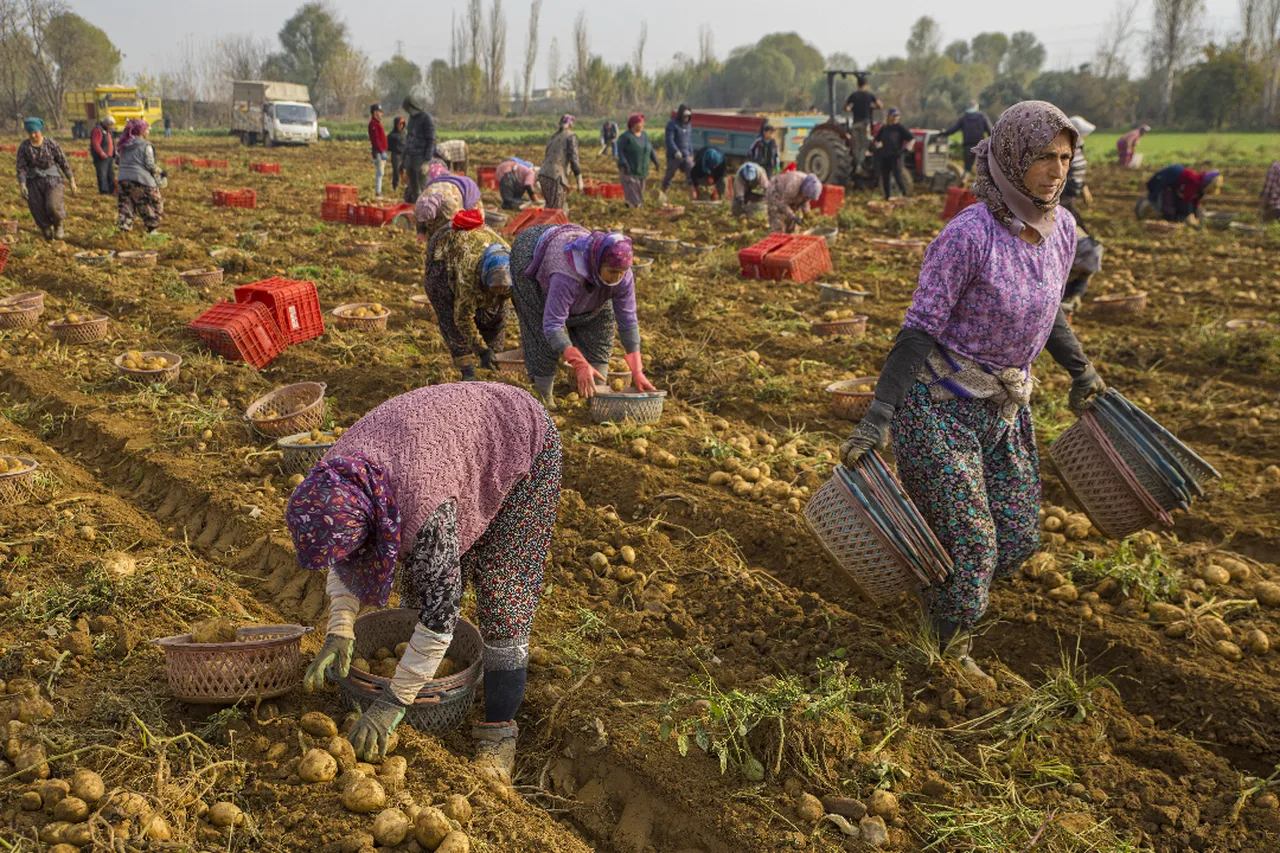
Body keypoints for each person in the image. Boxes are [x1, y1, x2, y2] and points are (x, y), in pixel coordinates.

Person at [839, 101, 1105, 678]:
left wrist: (1081, 371)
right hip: (940, 408)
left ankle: (937, 586)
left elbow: (1048, 310)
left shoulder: (1061, 231)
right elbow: (918, 332)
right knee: (975, 543)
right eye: (1041, 157)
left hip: (1004, 410)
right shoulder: (968, 236)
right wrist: (879, 414)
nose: (1055, 169)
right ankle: (941, 656)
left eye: (1064, 157)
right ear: (1011, 158)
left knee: (1015, 536)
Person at [290, 381, 562, 782]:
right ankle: (425, 687)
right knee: (421, 585)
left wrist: (390, 704)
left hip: (518, 438)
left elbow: (441, 616)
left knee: (504, 595)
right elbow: (345, 552)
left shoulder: (422, 506)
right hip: (449, 446)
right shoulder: (332, 480)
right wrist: (341, 627)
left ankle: (499, 732)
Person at [509, 225, 657, 409]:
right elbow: (552, 325)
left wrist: (637, 370)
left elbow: (628, 320)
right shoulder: (567, 275)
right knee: (541, 325)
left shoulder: (622, 275)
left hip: (578, 270)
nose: (617, 277)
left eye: (622, 272)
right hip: (531, 257)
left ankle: (597, 395)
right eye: (612, 272)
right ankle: (543, 394)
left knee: (602, 317)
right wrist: (578, 363)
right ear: (598, 262)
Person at [423, 210, 512, 381]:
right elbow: (462, 318)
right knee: (451, 316)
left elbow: (522, 306)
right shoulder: (468, 275)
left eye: (505, 290)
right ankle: (467, 372)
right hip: (444, 257)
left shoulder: (514, 268)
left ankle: (492, 364)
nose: (500, 293)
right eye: (495, 289)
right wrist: (482, 350)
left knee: (497, 314)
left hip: (478, 251)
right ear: (484, 278)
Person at [15, 117, 75, 241]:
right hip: (33, 181)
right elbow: (21, 166)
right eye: (30, 132)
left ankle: (58, 224)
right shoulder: (24, 146)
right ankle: (45, 228)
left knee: (53, 205)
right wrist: (22, 184)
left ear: (40, 131)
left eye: (35, 132)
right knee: (37, 208)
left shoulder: (50, 143)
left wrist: (71, 179)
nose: (33, 135)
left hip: (53, 179)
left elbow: (62, 161)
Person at [116, 119, 165, 234]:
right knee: (153, 203)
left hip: (123, 180)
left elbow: (118, 161)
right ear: (142, 131)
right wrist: (161, 171)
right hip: (141, 180)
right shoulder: (145, 145)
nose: (148, 132)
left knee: (126, 205)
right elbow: (149, 165)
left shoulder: (124, 144)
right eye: (147, 129)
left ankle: (123, 232)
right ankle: (152, 229)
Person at [1136, 165, 1221, 226]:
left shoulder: (1199, 189)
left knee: (1175, 208)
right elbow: (1187, 201)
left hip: (1175, 183)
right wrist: (1190, 218)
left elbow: (1194, 203)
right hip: (1166, 178)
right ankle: (1147, 211)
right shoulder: (1193, 182)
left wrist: (1195, 216)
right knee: (1160, 203)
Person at [414, 174, 483, 242]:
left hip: (467, 190)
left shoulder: (450, 205)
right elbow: (419, 219)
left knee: (474, 229)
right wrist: (421, 232)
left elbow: (460, 221)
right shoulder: (420, 202)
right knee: (433, 232)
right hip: (441, 186)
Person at [538, 114, 582, 212]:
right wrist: (579, 178)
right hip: (556, 176)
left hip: (543, 174)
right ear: (571, 125)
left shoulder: (553, 136)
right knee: (558, 209)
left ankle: (548, 226)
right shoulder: (570, 136)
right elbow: (574, 158)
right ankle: (557, 227)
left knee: (550, 207)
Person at [1061, 218, 1103, 315]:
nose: (1082, 271)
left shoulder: (1092, 251)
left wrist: (1077, 295)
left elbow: (1083, 278)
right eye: (1081, 268)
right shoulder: (1064, 246)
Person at [616, 114, 658, 208]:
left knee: (639, 192)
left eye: (642, 123)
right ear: (633, 124)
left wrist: (655, 161)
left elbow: (650, 149)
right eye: (639, 123)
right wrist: (624, 163)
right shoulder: (626, 137)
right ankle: (637, 210)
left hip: (642, 169)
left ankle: (630, 207)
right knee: (633, 192)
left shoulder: (645, 136)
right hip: (629, 170)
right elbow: (620, 151)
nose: (641, 125)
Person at [941, 102, 993, 179]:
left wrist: (943, 133)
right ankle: (982, 186)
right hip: (980, 146)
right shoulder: (982, 117)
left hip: (967, 147)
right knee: (982, 169)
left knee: (967, 169)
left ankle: (964, 183)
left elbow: (953, 129)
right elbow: (990, 131)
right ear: (976, 107)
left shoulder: (963, 118)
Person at [842, 75, 881, 176]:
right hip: (865, 123)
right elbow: (880, 105)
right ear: (866, 84)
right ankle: (860, 166)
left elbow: (845, 107)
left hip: (855, 124)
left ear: (857, 84)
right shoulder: (869, 95)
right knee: (865, 145)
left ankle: (857, 166)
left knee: (856, 146)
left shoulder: (853, 95)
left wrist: (850, 109)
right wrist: (872, 107)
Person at [402, 97, 438, 204]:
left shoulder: (426, 118)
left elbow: (431, 140)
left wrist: (427, 161)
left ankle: (431, 208)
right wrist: (404, 157)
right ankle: (419, 210)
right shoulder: (411, 119)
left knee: (425, 187)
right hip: (410, 157)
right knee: (414, 189)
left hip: (421, 158)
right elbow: (408, 137)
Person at [874, 108, 913, 201]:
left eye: (897, 116)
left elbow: (911, 139)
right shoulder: (884, 128)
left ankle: (905, 195)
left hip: (896, 156)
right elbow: (877, 140)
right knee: (885, 176)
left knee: (898, 175)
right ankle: (887, 196)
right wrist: (879, 147)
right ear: (889, 116)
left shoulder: (900, 128)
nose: (896, 118)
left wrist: (907, 148)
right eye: (894, 116)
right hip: (885, 155)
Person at [766, 167, 822, 233]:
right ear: (803, 190)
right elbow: (782, 204)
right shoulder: (793, 185)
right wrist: (794, 216)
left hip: (790, 198)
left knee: (792, 226)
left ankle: (789, 237)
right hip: (777, 193)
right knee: (779, 225)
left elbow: (805, 202)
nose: (807, 199)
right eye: (806, 196)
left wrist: (808, 216)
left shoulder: (810, 187)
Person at [1060, 115, 1095, 214]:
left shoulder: (1079, 148)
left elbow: (1079, 170)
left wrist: (1083, 186)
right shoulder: (1065, 151)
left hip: (1072, 197)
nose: (1085, 137)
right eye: (1083, 134)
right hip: (1062, 199)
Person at [660, 104, 694, 203]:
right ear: (680, 114)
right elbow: (669, 140)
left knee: (692, 172)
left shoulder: (688, 126)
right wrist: (675, 151)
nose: (686, 117)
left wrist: (691, 152)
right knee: (669, 175)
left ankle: (692, 197)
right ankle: (662, 195)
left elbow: (689, 140)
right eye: (684, 115)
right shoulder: (672, 125)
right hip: (674, 156)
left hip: (686, 154)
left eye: (688, 115)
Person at [89, 115, 117, 195]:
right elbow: (95, 143)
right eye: (110, 125)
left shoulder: (109, 131)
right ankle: (104, 191)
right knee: (102, 174)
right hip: (101, 157)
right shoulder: (98, 130)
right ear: (106, 123)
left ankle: (111, 190)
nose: (111, 127)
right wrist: (101, 153)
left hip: (109, 156)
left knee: (110, 174)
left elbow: (111, 142)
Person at [368, 104, 388, 200]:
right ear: (375, 112)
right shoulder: (373, 124)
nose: (381, 114)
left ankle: (378, 192)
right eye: (380, 112)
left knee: (381, 172)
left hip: (381, 151)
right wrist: (381, 151)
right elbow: (375, 140)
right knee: (379, 173)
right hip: (378, 152)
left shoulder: (377, 124)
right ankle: (378, 193)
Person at [387, 117, 406, 194]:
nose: (401, 126)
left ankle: (404, 184)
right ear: (396, 125)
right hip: (396, 155)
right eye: (399, 124)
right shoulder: (391, 135)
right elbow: (389, 146)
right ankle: (395, 186)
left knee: (405, 170)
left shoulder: (404, 133)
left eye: (402, 124)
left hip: (404, 155)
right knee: (396, 171)